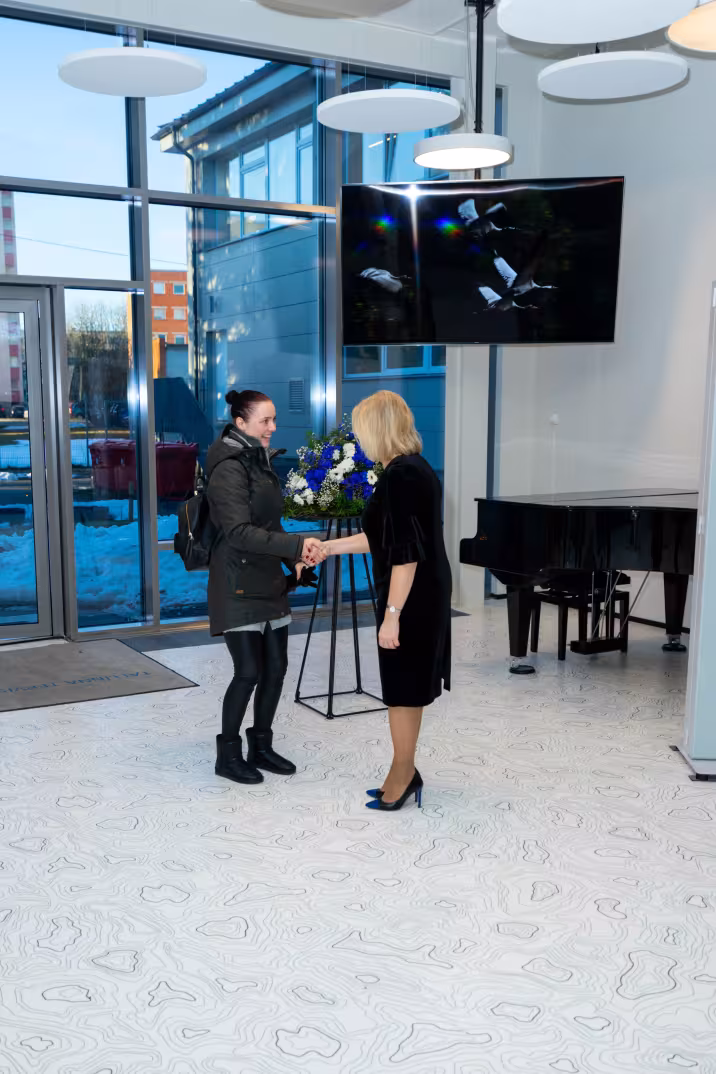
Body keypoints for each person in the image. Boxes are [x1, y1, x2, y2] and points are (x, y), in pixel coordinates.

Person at [307, 391, 451, 811]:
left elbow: (406, 555)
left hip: (412, 594)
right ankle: (403, 769)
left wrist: (392, 616)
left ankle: (403, 774)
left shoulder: (400, 476)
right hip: (420, 589)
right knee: (407, 686)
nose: (359, 438)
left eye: (361, 429)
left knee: (402, 688)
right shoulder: (413, 468)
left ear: (378, 429)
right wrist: (328, 548)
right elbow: (382, 538)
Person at [206, 389, 322, 785]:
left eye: (274, 419)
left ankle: (260, 746)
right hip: (237, 582)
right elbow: (238, 532)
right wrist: (296, 546)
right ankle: (228, 756)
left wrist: (293, 560)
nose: (273, 427)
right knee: (248, 672)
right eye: (265, 420)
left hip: (267, 578)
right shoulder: (229, 467)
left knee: (276, 669)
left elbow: (270, 525)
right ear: (240, 423)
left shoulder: (259, 459)